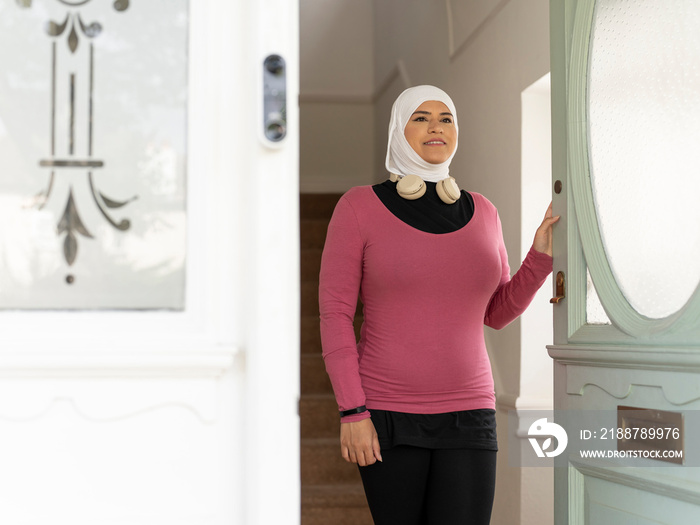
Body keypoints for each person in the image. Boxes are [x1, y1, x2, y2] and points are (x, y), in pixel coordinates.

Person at [318, 85, 558, 525]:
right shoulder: (358, 207)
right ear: (399, 130)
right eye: (421, 117)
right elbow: (334, 316)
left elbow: (497, 313)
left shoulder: (484, 211)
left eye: (445, 118)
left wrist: (540, 258)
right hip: (387, 413)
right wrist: (352, 410)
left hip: (471, 413)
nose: (436, 127)